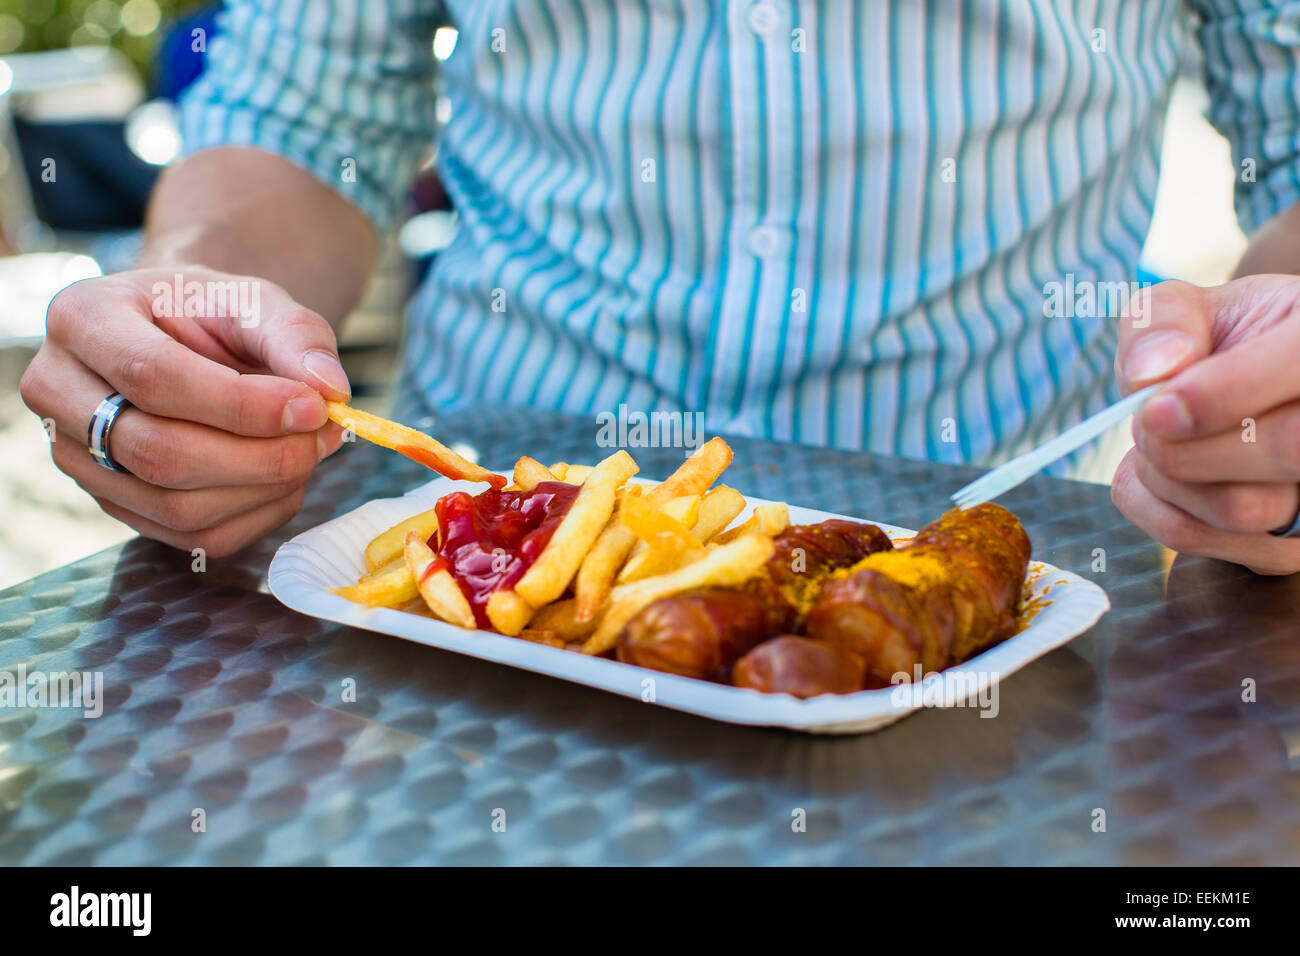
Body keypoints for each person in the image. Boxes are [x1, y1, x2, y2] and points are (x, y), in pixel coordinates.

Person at [18, 1, 1300, 574]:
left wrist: (1269, 396)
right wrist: (188, 310)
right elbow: (304, 117)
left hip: (1001, 580)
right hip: (477, 583)